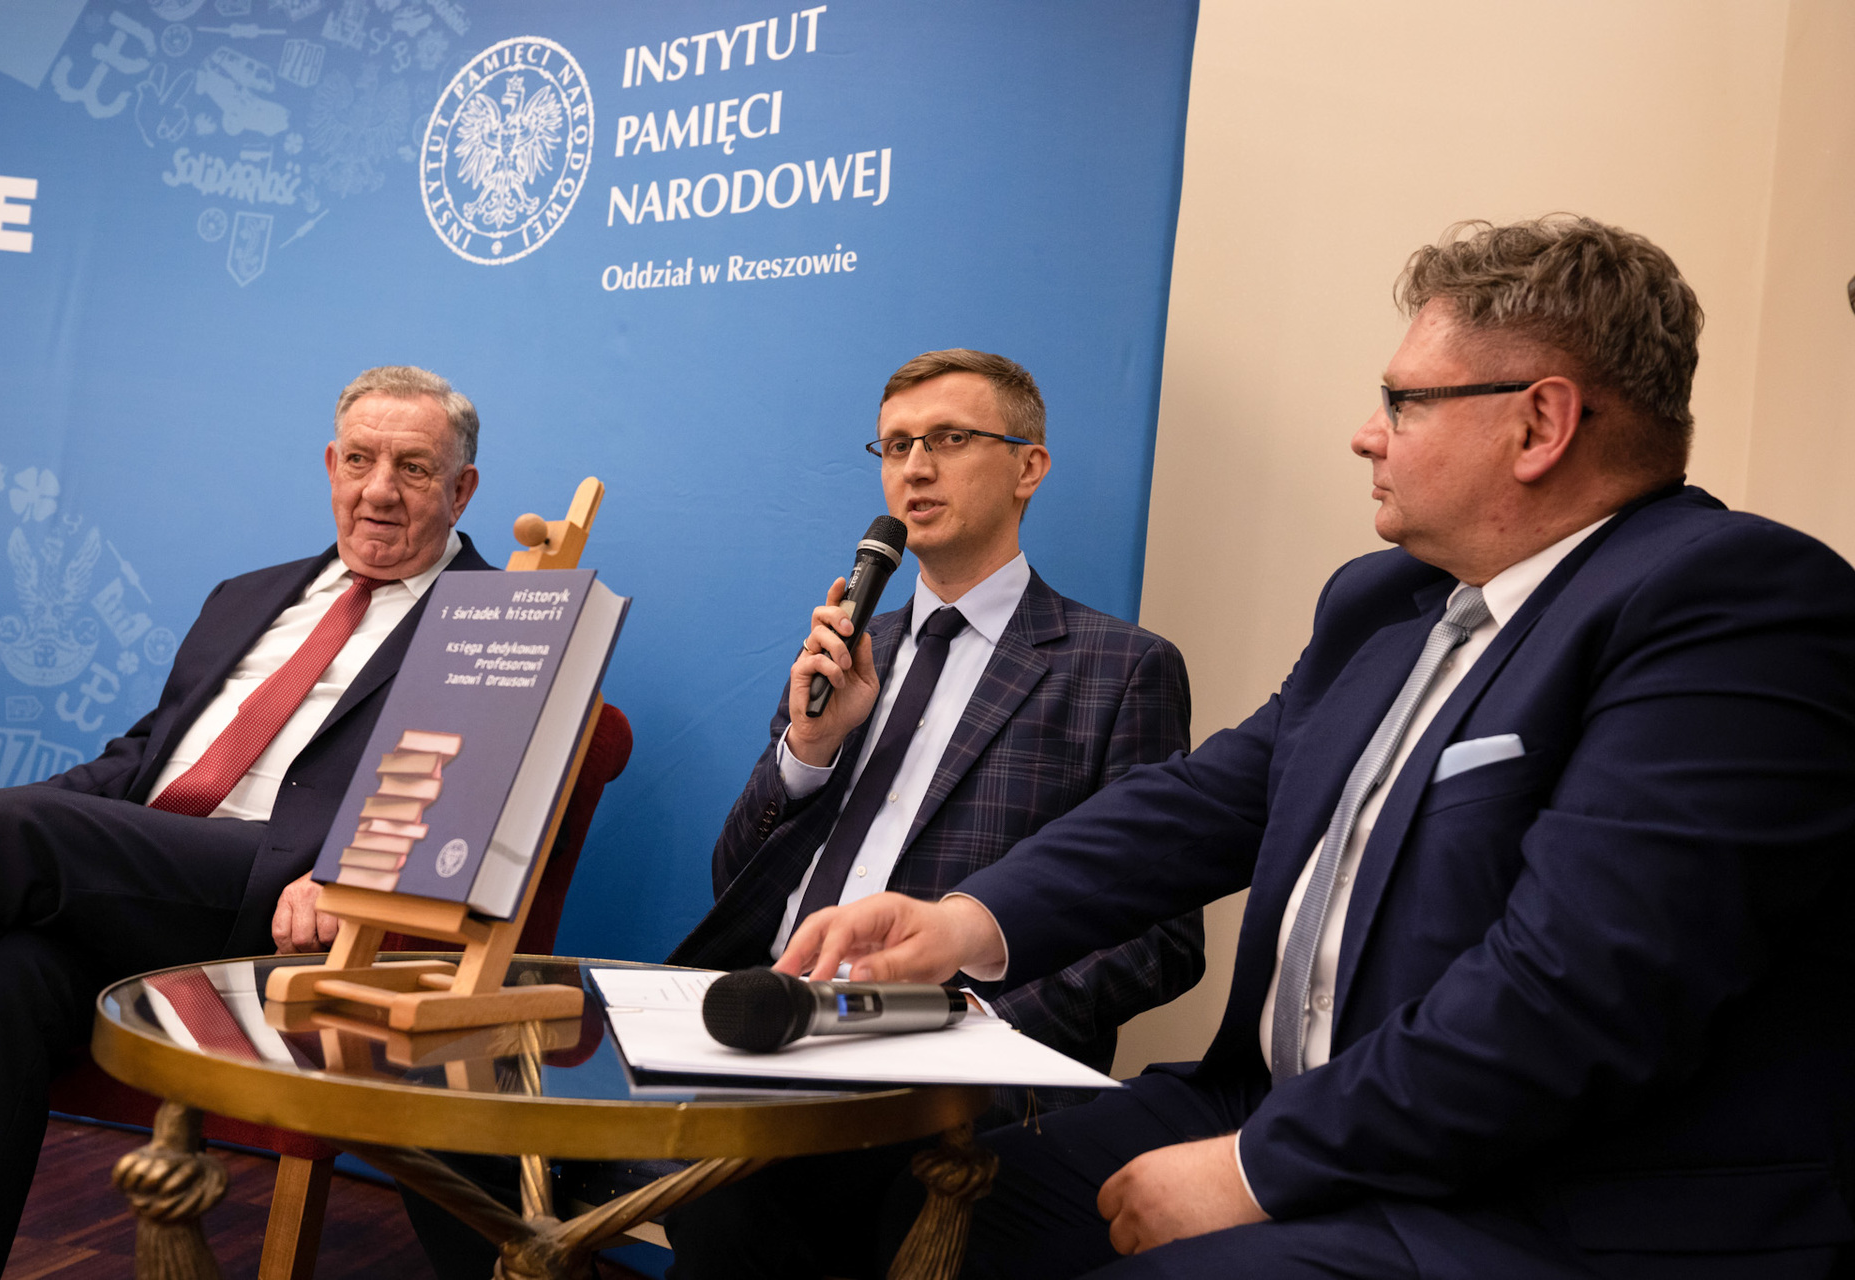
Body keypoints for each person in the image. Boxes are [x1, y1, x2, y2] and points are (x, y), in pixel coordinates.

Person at [780, 218, 1855, 1278]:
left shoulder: (1727, 604)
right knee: (951, 1206)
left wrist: (1255, 1170)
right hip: (1274, 1099)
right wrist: (962, 922)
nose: (1367, 434)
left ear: (1540, 424)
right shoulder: (1383, 604)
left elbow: (1580, 990)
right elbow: (1205, 802)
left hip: (1531, 1190)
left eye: (1403, 401)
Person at [403, 350, 1202, 1280]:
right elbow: (734, 878)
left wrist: (971, 1014)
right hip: (759, 1010)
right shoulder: (851, 647)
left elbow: (1159, 935)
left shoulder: (1117, 668)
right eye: (896, 445)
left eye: (949, 439)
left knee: (739, 1190)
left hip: (926, 1057)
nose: (915, 468)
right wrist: (810, 750)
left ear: (1030, 466)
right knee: (448, 1106)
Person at [0, 364, 492, 1278]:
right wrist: (36, 815)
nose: (379, 491)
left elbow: (482, 796)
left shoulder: (493, 624)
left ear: (462, 488)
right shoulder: (249, 594)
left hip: (278, 893)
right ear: (331, 465)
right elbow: (143, 757)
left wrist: (354, 874)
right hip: (148, 880)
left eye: (415, 468)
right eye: (360, 460)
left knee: (10, 830)